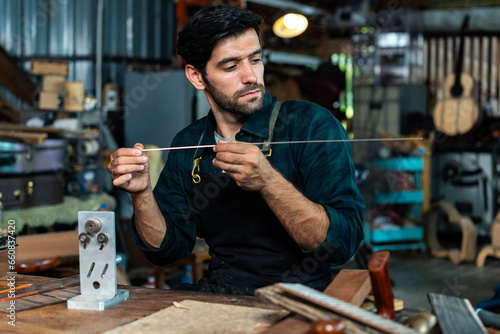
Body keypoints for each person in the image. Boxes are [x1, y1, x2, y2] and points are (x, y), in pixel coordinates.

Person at [108, 4, 365, 295]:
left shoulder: (311, 126)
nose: (250, 76)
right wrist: (142, 194)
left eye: (255, 60)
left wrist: (269, 182)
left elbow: (340, 245)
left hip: (302, 298)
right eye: (231, 66)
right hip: (224, 292)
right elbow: (166, 250)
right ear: (196, 76)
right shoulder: (189, 143)